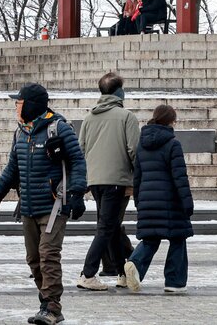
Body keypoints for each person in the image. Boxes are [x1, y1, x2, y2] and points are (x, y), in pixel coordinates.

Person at [0, 83, 87, 325]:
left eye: (19, 102)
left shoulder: (59, 128)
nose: (16, 107)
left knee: (48, 255)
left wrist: (77, 192)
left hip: (53, 204)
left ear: (31, 104)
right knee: (33, 258)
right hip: (29, 205)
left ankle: (52, 306)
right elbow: (13, 167)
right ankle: (46, 301)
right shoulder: (21, 132)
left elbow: (78, 161)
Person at [76, 72, 139, 292]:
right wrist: (137, 176)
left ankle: (121, 272)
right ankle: (88, 273)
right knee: (106, 227)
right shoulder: (126, 116)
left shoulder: (89, 117)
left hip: (95, 180)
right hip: (117, 180)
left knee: (111, 226)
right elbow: (134, 150)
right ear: (119, 92)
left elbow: (81, 149)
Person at [123, 104, 193, 294]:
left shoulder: (142, 145)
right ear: (172, 121)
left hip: (147, 200)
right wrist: (187, 203)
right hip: (171, 202)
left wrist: (138, 201)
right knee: (178, 238)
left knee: (150, 239)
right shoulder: (173, 144)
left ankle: (135, 264)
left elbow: (137, 176)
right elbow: (179, 177)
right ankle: (174, 281)